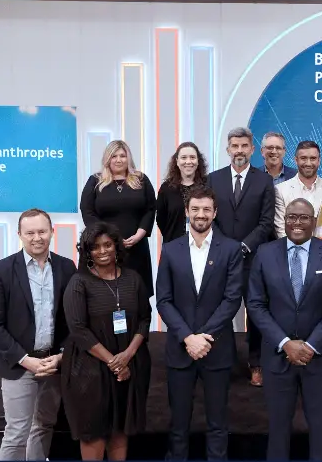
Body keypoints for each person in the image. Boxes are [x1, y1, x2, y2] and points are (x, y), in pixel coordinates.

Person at [247, 198, 322, 460]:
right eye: (292, 217)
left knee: (318, 430)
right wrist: (284, 343)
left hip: (319, 358)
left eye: (304, 217)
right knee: (278, 430)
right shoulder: (265, 253)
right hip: (277, 357)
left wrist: (311, 345)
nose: (297, 223)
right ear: (284, 221)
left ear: (314, 222)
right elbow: (256, 305)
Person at [0, 208, 77, 461]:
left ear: (52, 233)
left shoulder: (67, 267)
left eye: (42, 231)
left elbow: (74, 320)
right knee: (16, 432)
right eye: (30, 232)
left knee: (43, 427)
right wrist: (25, 359)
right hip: (18, 364)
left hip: (52, 364)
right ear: (20, 235)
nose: (37, 237)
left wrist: (60, 356)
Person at [156, 186, 243, 460]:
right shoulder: (170, 250)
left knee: (218, 424)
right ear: (187, 212)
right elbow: (163, 300)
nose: (201, 214)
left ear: (215, 212)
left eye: (206, 209)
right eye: (195, 209)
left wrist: (202, 337)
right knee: (178, 425)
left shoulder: (230, 249)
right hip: (180, 350)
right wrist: (187, 337)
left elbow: (232, 299)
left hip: (216, 348)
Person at [60, 222, 152, 460]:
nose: (102, 251)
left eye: (107, 245)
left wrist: (127, 357)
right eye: (95, 247)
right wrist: (114, 362)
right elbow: (78, 330)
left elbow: (144, 318)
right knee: (95, 433)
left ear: (116, 246)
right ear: (87, 251)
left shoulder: (133, 279)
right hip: (90, 371)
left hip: (129, 366)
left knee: (121, 429)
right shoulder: (78, 283)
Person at [207, 127, 275, 387]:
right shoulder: (213, 180)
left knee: (256, 314)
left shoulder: (264, 181)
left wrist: (244, 246)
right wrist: (227, 248)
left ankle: (256, 364)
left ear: (252, 149)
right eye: (234, 146)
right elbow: (208, 217)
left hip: (253, 260)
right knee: (219, 312)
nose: (239, 150)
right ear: (228, 150)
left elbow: (266, 221)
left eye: (244, 146)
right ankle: (218, 362)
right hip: (221, 260)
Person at [80, 139, 157, 297]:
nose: (119, 159)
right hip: (104, 249)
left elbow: (150, 209)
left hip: (136, 248)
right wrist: (107, 238)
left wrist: (139, 235)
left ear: (128, 158)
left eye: (122, 155)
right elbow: (87, 211)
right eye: (114, 156)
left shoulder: (141, 180)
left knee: (137, 296)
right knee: (105, 296)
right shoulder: (95, 181)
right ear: (107, 159)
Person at [274, 140, 322, 238]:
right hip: (291, 250)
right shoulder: (281, 190)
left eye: (313, 158)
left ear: (319, 161)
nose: (308, 163)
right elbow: (281, 228)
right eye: (303, 158)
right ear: (296, 160)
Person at [156, 141, 209, 244]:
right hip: (173, 245)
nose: (188, 162)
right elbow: (161, 219)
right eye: (184, 158)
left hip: (203, 247)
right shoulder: (166, 188)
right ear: (177, 161)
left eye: (192, 157)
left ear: (198, 161)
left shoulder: (208, 185)